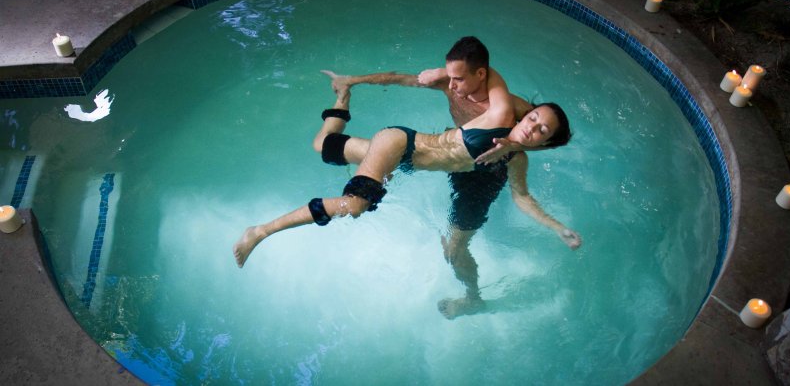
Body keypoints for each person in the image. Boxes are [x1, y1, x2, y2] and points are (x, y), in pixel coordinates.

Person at [232, 56, 582, 317]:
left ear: (543, 144)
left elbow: (521, 197)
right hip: (401, 145)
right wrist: (442, 74)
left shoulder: (516, 159)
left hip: (428, 165)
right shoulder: (495, 112)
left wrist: (558, 227)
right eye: (534, 118)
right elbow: (482, 73)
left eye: (541, 131)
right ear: (528, 111)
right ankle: (260, 231)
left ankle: (472, 298)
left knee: (323, 147)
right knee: (354, 205)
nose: (532, 127)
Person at [312, 37, 566, 318]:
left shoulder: (510, 114)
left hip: (480, 177)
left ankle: (473, 299)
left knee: (453, 251)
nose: (453, 84)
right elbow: (401, 79)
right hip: (443, 151)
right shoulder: (452, 84)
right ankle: (348, 111)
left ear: (479, 74)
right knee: (325, 146)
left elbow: (524, 163)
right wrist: (352, 81)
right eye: (451, 77)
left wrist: (555, 225)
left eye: (458, 77)